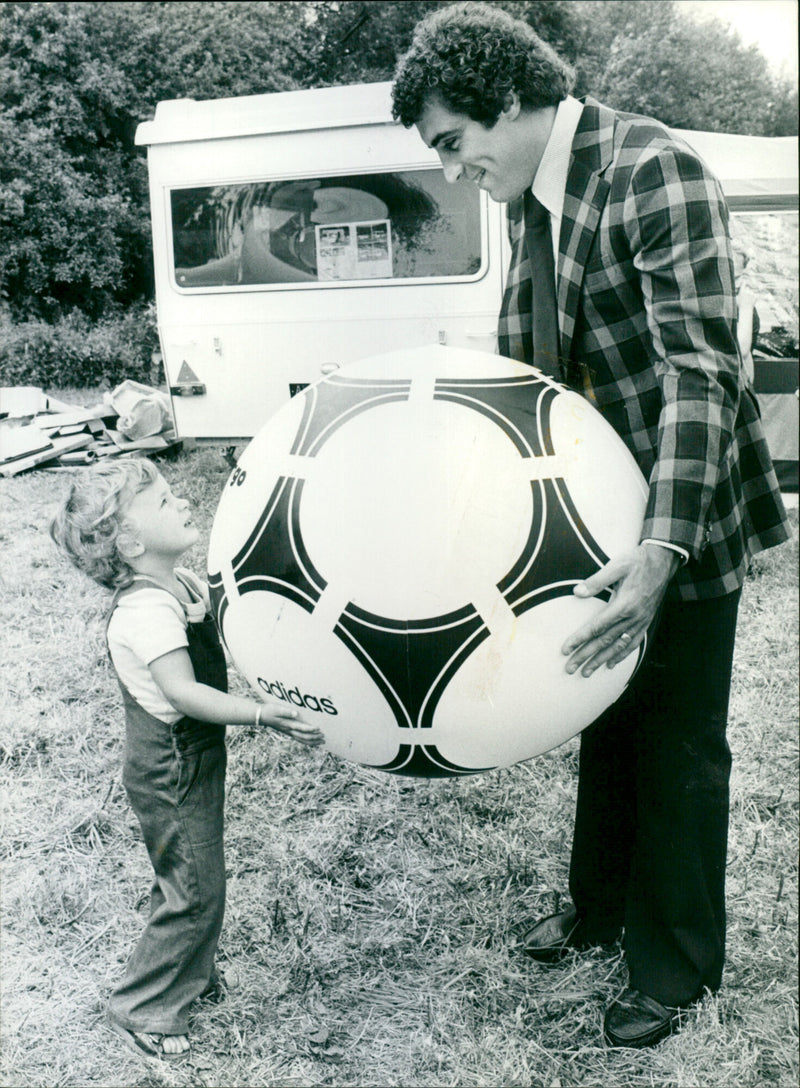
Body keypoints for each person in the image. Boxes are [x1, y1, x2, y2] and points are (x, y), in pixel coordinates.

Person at [392, 1, 791, 1050]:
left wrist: (657, 552)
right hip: (584, 518)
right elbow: (522, 384)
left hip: (681, 512)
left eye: (451, 141)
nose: (449, 169)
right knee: (600, 712)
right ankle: (597, 904)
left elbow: (701, 371)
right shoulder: (526, 199)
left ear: (512, 101)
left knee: (675, 740)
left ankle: (672, 962)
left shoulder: (650, 169)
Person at [50, 458, 324, 1061]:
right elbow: (182, 692)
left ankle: (184, 977)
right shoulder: (144, 611)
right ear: (130, 541)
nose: (181, 502)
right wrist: (260, 712)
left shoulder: (181, 583)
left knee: (192, 880)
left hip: (192, 761)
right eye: (165, 500)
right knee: (194, 889)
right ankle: (141, 1006)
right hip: (169, 769)